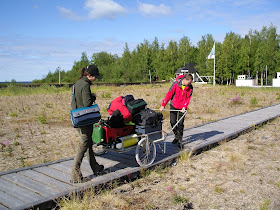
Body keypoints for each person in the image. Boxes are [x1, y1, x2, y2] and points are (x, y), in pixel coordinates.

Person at [70, 64, 104, 183]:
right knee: (83, 146)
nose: (95, 79)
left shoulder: (77, 83)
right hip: (84, 121)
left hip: (77, 119)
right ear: (89, 75)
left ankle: (96, 168)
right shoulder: (85, 85)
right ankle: (75, 175)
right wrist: (93, 97)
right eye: (95, 77)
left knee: (88, 143)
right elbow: (87, 103)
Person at [159, 73, 193, 149]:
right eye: (189, 82)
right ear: (185, 80)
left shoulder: (190, 88)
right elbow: (169, 94)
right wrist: (163, 105)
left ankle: (180, 141)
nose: (190, 84)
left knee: (180, 124)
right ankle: (176, 136)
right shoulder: (176, 84)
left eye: (190, 83)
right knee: (173, 122)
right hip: (174, 105)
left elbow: (188, 99)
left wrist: (185, 106)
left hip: (182, 109)